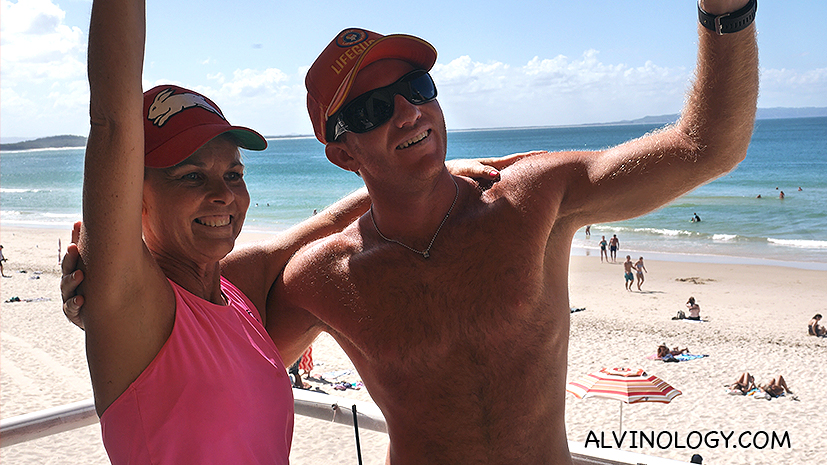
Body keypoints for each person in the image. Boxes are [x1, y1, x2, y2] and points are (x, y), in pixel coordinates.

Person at [66, 2, 759, 461]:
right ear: (341, 150)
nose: (406, 112)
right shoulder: (321, 279)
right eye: (370, 109)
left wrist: (723, 14)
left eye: (417, 88)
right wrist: (102, 301)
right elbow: (190, 327)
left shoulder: (534, 198)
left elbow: (707, 147)